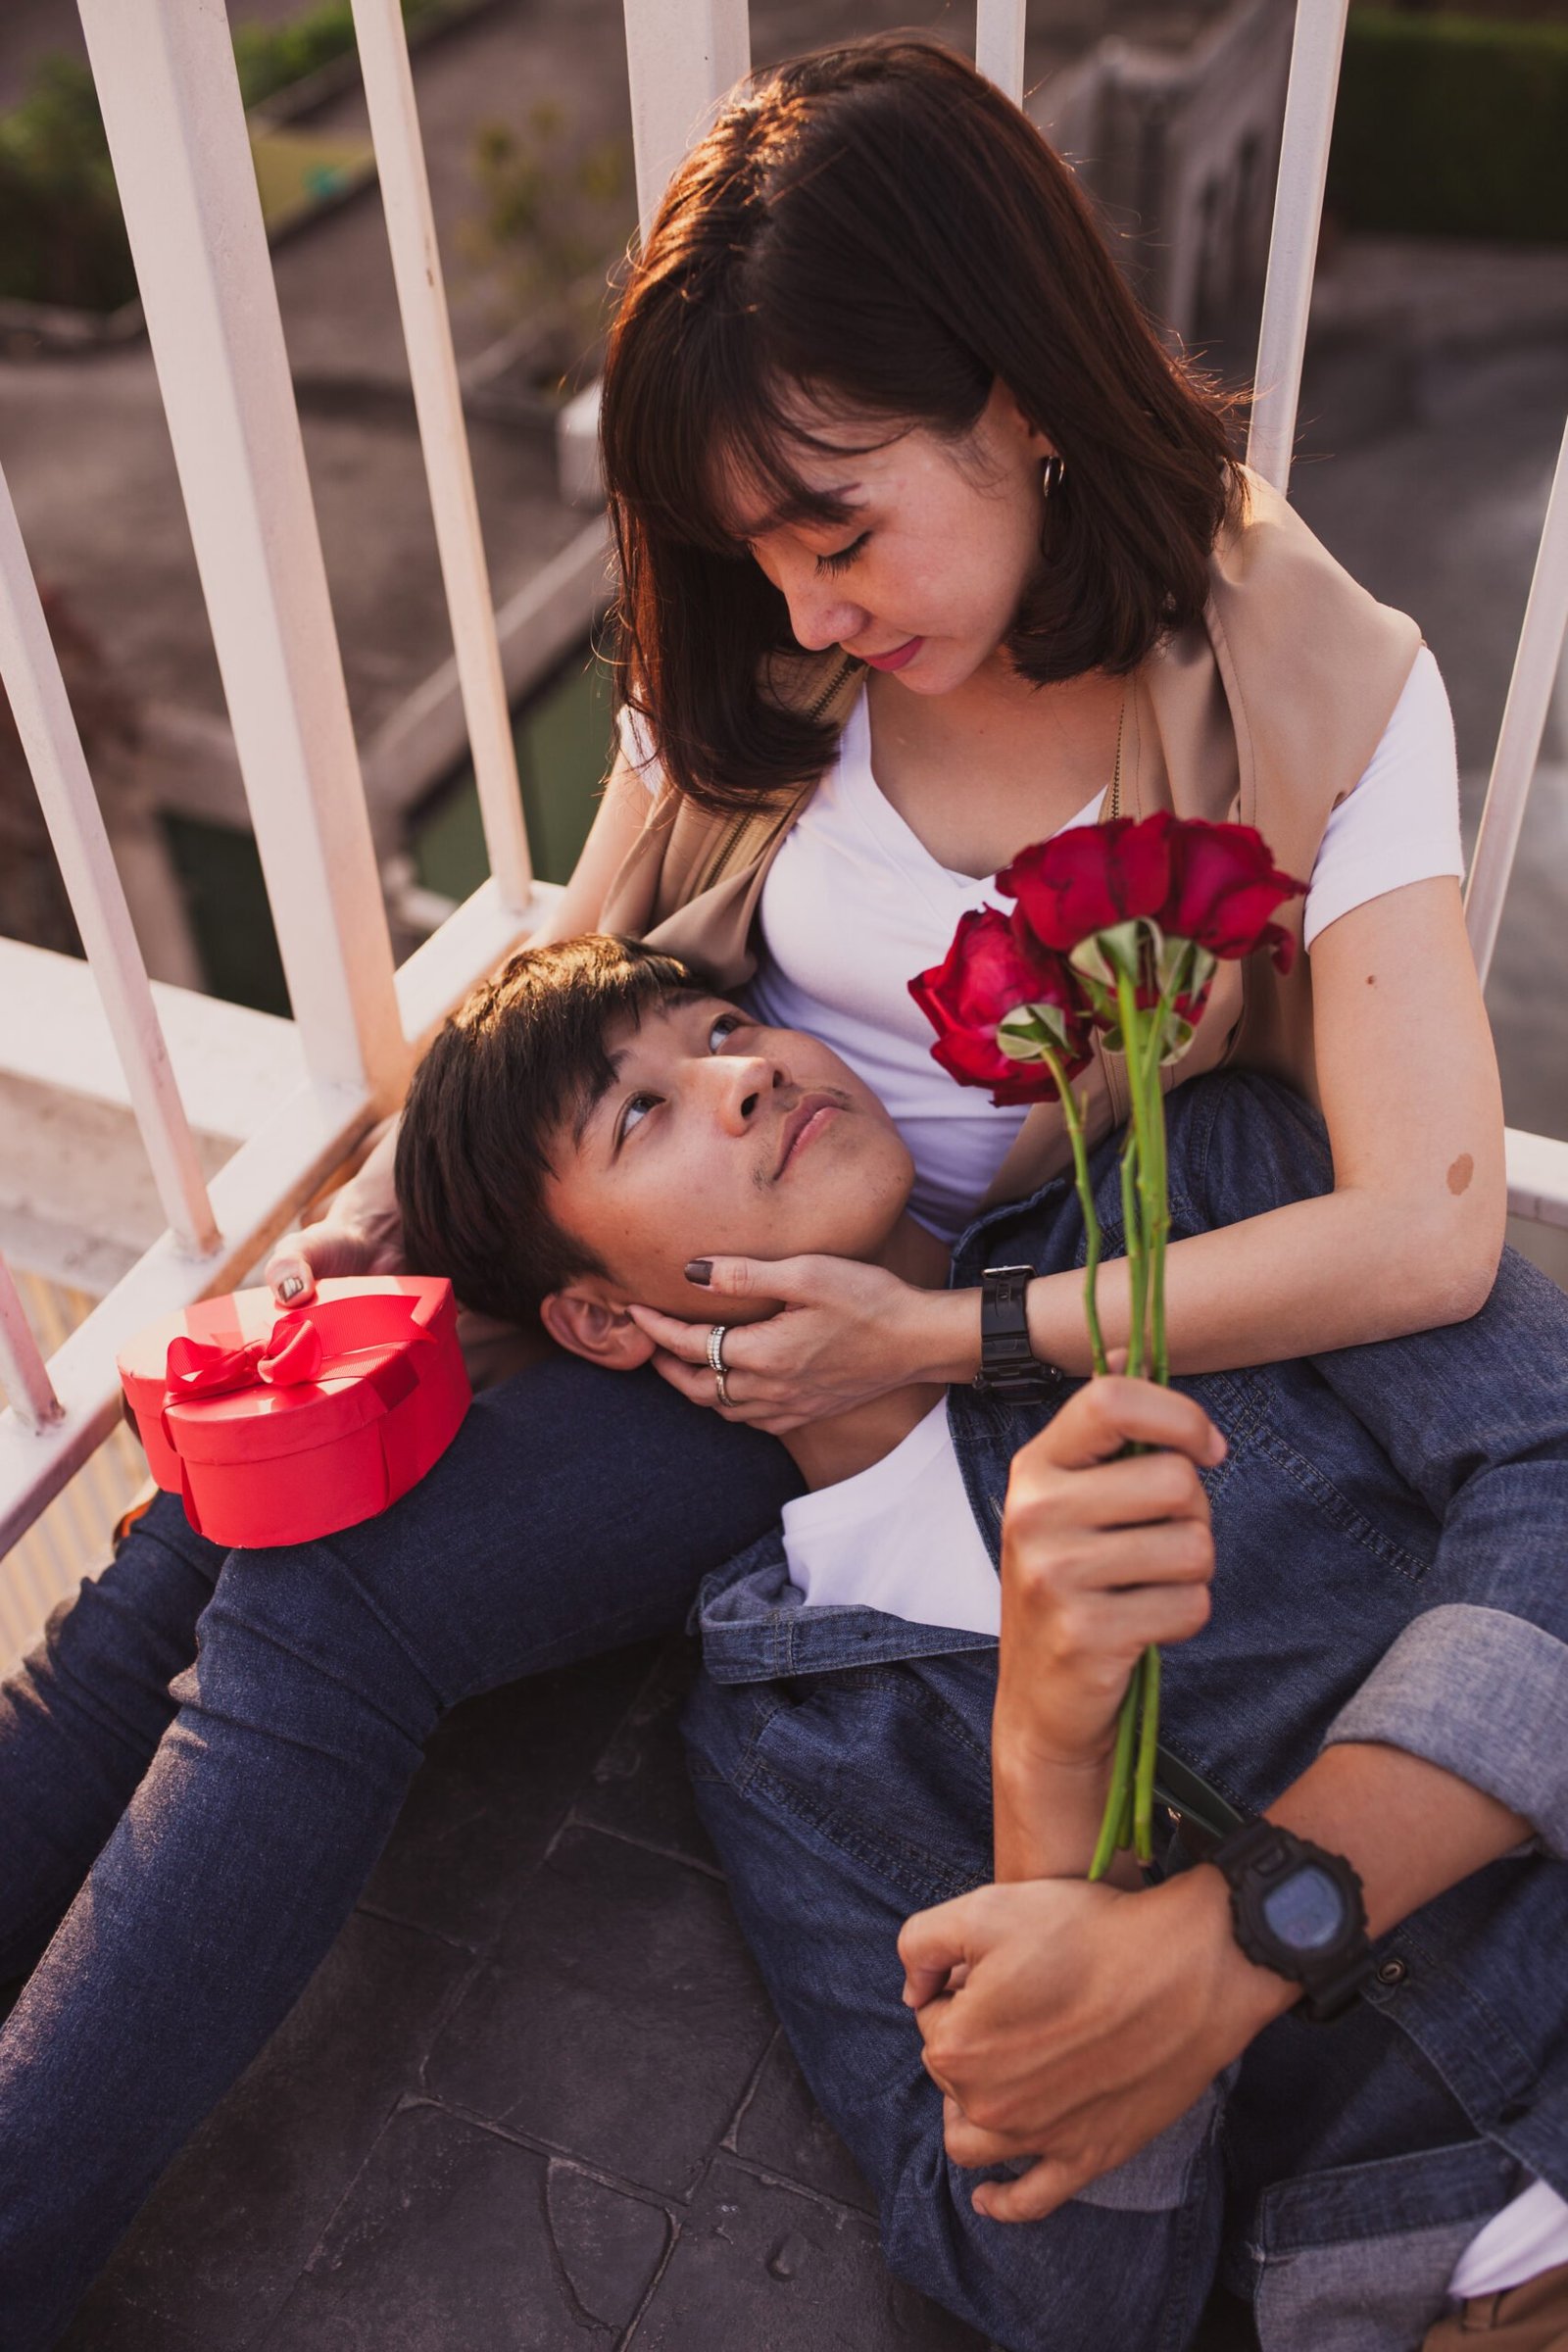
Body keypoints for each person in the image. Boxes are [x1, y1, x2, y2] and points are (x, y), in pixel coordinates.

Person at [0, 29, 1535, 2343]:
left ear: (1017, 392)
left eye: (837, 529)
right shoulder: (774, 629)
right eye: (756, 551)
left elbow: (1429, 1224)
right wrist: (430, 1207)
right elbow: (619, 934)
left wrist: (945, 1335)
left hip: (971, 1308)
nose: (803, 606)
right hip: (693, 1251)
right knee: (197, 1517)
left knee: (325, 1601)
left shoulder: (1303, 670)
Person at [386, 937, 1568, 2352]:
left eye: (720, 1024)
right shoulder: (780, 1737)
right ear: (595, 1315)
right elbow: (1062, 2303)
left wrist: (1228, 1943)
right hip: (1458, 2284)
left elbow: (1552, 1468)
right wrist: (1047, 1782)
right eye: (638, 1111)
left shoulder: (1195, 1189)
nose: (745, 1073)